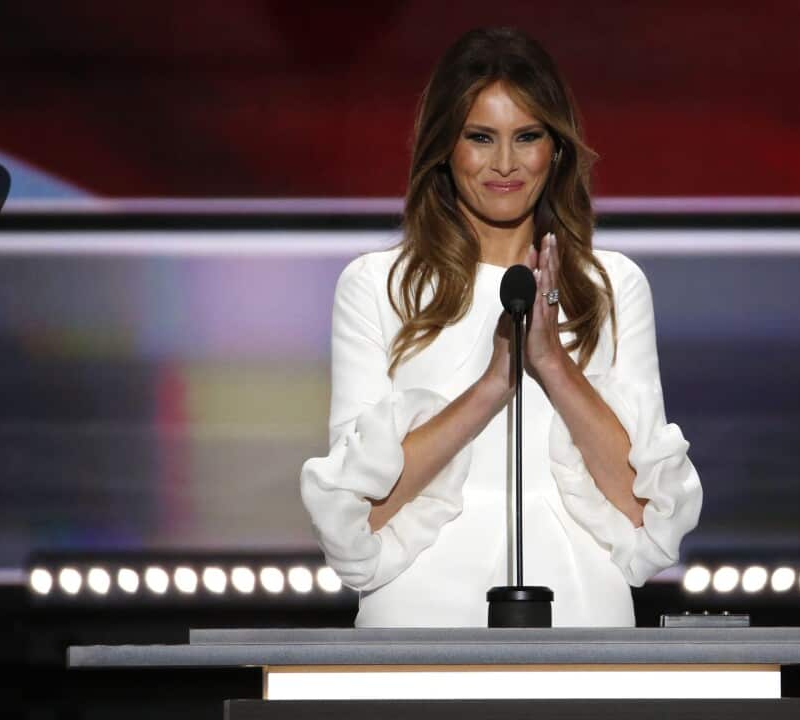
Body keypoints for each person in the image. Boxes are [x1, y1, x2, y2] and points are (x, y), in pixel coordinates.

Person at [300, 27, 702, 627]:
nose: (506, 164)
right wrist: (493, 383)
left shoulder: (611, 286)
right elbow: (358, 517)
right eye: (481, 138)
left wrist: (553, 364)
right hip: (419, 622)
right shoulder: (379, 286)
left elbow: (647, 516)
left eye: (528, 136)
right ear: (445, 147)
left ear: (556, 149)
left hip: (581, 613)